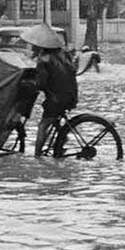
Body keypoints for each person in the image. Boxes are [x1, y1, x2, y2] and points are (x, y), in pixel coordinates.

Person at [16, 22, 78, 156]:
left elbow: (42, 83)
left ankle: (37, 157)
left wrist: (28, 84)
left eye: (34, 44)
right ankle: (61, 142)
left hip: (56, 98)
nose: (32, 47)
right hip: (70, 95)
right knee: (54, 120)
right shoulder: (64, 54)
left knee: (43, 126)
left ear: (40, 45)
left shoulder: (44, 59)